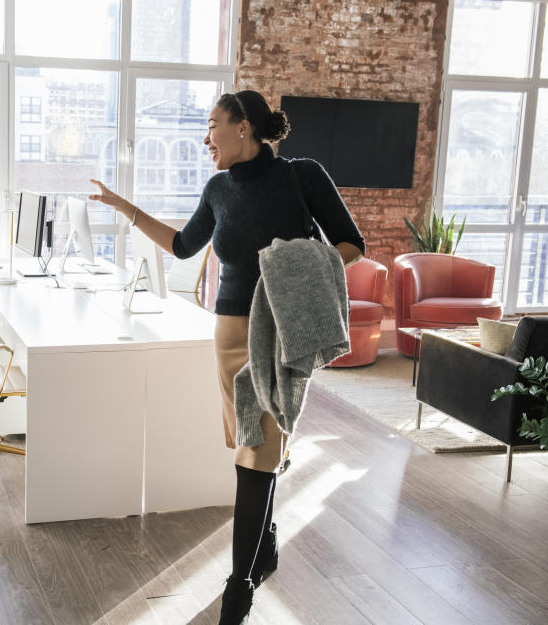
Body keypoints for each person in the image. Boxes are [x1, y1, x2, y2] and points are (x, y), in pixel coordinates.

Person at [89, 90, 364, 624]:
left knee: (256, 452)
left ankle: (238, 586)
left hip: (280, 331)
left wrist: (297, 272)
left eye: (213, 125)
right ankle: (265, 543)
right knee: (251, 443)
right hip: (229, 334)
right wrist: (125, 209)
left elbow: (351, 245)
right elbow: (182, 245)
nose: (206, 137)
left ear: (243, 127)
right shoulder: (218, 189)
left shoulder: (302, 176)